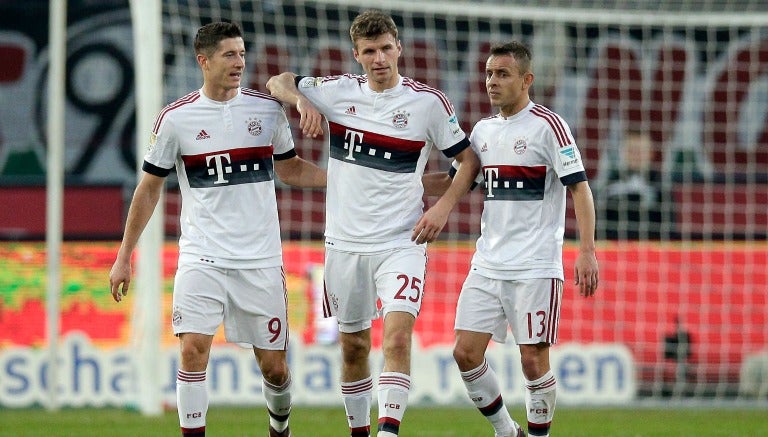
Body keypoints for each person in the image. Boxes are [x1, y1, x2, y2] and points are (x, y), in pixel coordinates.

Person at [266, 9, 480, 437]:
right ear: (357, 55)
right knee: (354, 347)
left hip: (402, 241)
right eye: (369, 51)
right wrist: (301, 99)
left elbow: (468, 160)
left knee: (397, 338)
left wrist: (441, 208)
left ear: (399, 48)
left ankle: (388, 431)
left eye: (386, 48)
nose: (379, 58)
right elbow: (278, 82)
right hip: (343, 245)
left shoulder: (428, 104)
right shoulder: (338, 91)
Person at [108, 22, 326, 437]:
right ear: (202, 61)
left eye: (242, 53)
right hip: (201, 256)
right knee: (192, 350)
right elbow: (149, 188)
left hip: (260, 260)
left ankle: (280, 428)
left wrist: (341, 181)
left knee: (275, 368)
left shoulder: (266, 111)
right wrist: (124, 256)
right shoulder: (176, 119)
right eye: (229, 55)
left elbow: (290, 168)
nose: (240, 62)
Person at [423, 41, 599, 437]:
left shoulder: (548, 127)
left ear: (526, 80)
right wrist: (399, 182)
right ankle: (507, 431)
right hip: (487, 263)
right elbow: (453, 182)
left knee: (533, 362)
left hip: (535, 266)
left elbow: (580, 189)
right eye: (488, 74)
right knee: (465, 353)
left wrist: (586, 251)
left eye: (502, 74)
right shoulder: (482, 132)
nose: (492, 82)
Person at [600, 128, 675, 240]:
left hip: (651, 246)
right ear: (623, 153)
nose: (636, 155)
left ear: (651, 153)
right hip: (615, 246)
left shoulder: (660, 185)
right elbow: (600, 222)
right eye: (631, 150)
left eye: (640, 151)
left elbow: (669, 225)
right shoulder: (611, 182)